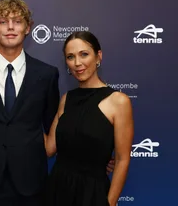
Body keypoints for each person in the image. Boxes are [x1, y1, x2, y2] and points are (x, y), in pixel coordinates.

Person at [0, 0, 60, 206]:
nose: (11, 27)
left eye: (17, 21)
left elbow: (54, 127)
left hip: (31, 180)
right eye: (3, 22)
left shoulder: (47, 74)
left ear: (28, 28)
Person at [44, 31, 134, 206]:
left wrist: (110, 202)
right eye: (70, 57)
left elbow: (123, 160)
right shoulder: (66, 99)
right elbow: (49, 149)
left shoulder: (118, 101)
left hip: (92, 194)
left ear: (98, 56)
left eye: (84, 54)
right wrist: (23, 115)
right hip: (57, 190)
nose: (77, 63)